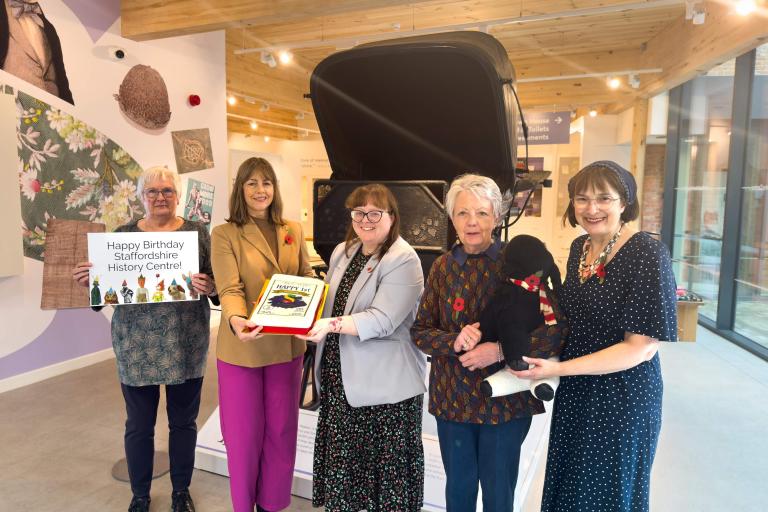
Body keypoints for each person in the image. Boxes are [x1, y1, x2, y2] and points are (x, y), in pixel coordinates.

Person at [512, 160, 677, 512]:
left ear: (624, 202)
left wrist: (557, 370)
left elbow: (640, 349)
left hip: (622, 397)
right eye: (582, 199)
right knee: (570, 487)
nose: (592, 208)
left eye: (604, 198)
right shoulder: (579, 248)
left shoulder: (647, 253)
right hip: (577, 393)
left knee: (607, 493)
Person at [411, 173, 562, 512]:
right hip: (454, 401)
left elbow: (553, 329)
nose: (472, 222)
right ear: (452, 218)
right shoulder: (442, 268)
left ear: (496, 216)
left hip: (505, 403)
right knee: (459, 494)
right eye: (463, 213)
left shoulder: (522, 262)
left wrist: (499, 349)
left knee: (498, 496)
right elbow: (420, 331)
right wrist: (453, 341)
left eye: (481, 213)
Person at [72, 166, 218, 512]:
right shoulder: (122, 236)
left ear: (178, 195)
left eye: (167, 190)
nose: (160, 197)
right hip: (136, 346)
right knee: (139, 426)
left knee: (183, 423)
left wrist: (210, 287)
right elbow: (105, 297)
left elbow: (216, 284)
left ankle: (180, 492)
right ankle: (140, 496)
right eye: (152, 191)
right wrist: (90, 283)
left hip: (186, 343)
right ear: (141, 197)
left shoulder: (197, 234)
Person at [299, 184, 426, 512]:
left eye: (374, 213)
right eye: (358, 213)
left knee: (386, 481)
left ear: (392, 216)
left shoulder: (403, 259)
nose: (365, 220)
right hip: (341, 381)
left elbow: (382, 319)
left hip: (386, 391)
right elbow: (328, 300)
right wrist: (299, 314)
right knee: (347, 476)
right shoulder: (344, 250)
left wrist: (329, 325)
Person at [210, 157, 314, 512]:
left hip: (286, 348)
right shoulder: (225, 234)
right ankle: (243, 506)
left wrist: (314, 296)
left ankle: (273, 504)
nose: (260, 190)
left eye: (266, 182)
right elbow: (229, 287)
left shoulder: (292, 229)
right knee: (243, 437)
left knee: (282, 433)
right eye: (251, 183)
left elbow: (302, 274)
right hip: (244, 348)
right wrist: (237, 319)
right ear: (240, 189)